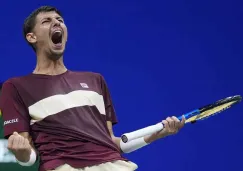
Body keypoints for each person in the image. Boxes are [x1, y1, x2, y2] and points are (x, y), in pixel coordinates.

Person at [0, 6, 185, 171]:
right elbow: (29, 155)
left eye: (60, 21)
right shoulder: (15, 87)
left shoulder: (95, 80)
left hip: (115, 166)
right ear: (31, 37)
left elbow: (115, 143)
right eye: (46, 21)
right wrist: (21, 153)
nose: (56, 23)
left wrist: (159, 134)